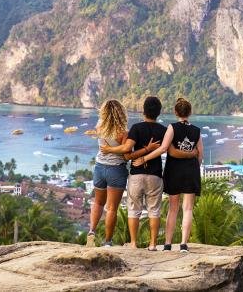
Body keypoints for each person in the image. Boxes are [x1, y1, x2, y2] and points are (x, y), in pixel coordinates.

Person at [134, 97, 202, 252]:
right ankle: (183, 244)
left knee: (173, 208)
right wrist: (192, 166)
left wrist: (144, 158)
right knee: (188, 209)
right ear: (190, 112)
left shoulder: (172, 127)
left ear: (175, 112)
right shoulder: (197, 131)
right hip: (191, 171)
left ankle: (168, 244)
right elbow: (200, 155)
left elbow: (164, 148)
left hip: (174, 170)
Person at [100, 96, 166, 250]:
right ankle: (153, 244)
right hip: (155, 174)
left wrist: (110, 149)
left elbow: (127, 154)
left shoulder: (136, 128)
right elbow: (167, 150)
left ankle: (134, 243)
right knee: (154, 210)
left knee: (134, 210)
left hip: (136, 174)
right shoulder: (164, 130)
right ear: (159, 112)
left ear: (143, 111)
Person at [86, 99, 129, 248]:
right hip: (116, 169)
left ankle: (91, 231)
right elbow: (126, 155)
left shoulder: (99, 126)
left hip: (99, 167)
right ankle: (108, 241)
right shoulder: (123, 132)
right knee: (111, 208)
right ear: (120, 112)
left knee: (98, 202)